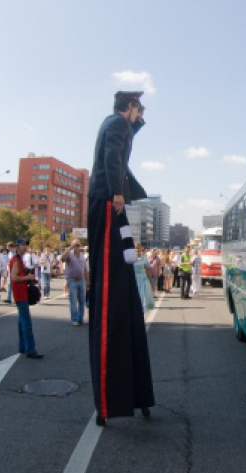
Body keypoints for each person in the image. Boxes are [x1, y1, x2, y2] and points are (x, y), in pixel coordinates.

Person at [87, 90, 155, 426]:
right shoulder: (115, 123)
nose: (141, 113)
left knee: (123, 276)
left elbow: (126, 138)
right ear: (128, 107)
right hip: (105, 200)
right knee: (109, 288)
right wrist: (117, 191)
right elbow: (113, 156)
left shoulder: (120, 123)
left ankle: (132, 394)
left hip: (110, 199)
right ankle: (108, 400)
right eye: (139, 108)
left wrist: (139, 121)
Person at [9, 238, 43, 358]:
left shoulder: (19, 260)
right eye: (23, 245)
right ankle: (30, 349)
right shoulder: (16, 261)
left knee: (21, 322)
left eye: (26, 245)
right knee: (26, 323)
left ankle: (23, 347)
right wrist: (28, 277)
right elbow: (14, 277)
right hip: (20, 294)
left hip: (21, 293)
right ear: (17, 246)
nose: (25, 247)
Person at [61, 240, 89, 326]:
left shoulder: (82, 256)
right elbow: (62, 259)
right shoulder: (69, 255)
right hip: (72, 281)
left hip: (81, 281)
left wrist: (87, 280)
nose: (76, 247)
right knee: (73, 301)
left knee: (82, 301)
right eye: (75, 245)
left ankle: (80, 318)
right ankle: (74, 319)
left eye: (78, 245)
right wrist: (69, 248)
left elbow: (85, 269)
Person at [134, 242, 155, 317]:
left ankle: (141, 313)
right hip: (135, 279)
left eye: (138, 248)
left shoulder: (144, 257)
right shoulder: (132, 258)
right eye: (136, 248)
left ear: (141, 249)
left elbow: (147, 270)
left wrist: (151, 283)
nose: (137, 250)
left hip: (143, 279)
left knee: (142, 296)